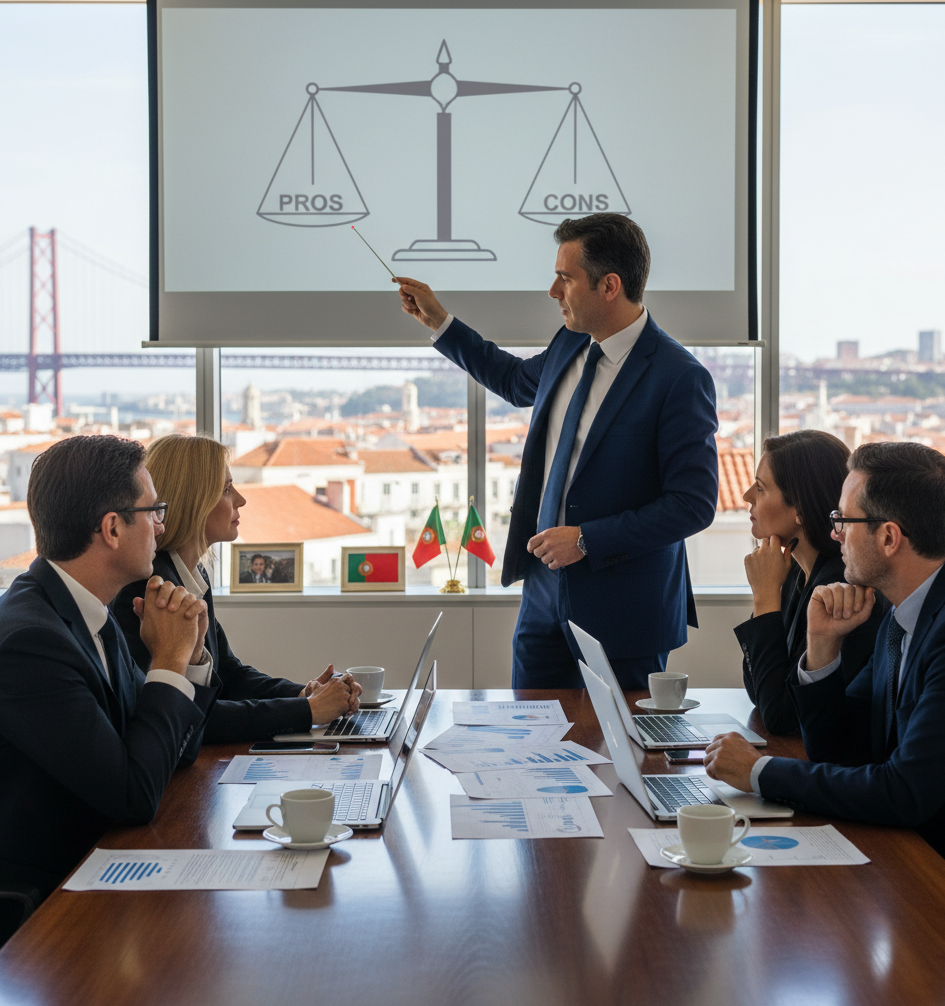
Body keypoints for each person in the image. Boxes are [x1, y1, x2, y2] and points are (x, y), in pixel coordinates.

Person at [395, 213, 718, 689]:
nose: (552, 291)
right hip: (543, 596)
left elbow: (693, 505)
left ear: (609, 285)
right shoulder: (570, 342)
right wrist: (440, 322)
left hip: (626, 610)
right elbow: (513, 380)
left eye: (565, 278)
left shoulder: (679, 377)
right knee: (530, 740)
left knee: (618, 755)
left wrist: (586, 539)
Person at [705, 442, 945, 900]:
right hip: (912, 860)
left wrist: (760, 771)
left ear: (889, 538)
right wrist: (822, 647)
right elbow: (841, 749)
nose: (834, 535)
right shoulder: (905, 612)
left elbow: (904, 790)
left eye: (842, 521)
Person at [0, 435, 216, 932]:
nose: (162, 525)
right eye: (154, 510)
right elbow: (132, 794)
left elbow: (176, 751)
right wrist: (168, 658)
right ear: (113, 528)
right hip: (46, 908)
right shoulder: (31, 641)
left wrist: (192, 654)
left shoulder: (88, 607)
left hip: (102, 864)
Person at [112, 433, 361, 743]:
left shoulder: (190, 573)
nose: (240, 499)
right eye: (227, 489)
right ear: (193, 501)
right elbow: (194, 718)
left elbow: (229, 672)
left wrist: (303, 693)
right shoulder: (149, 591)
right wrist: (307, 711)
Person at [734, 430, 885, 733]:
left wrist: (764, 597)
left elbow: (781, 715)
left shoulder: (839, 588)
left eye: (761, 488)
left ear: (800, 509)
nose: (747, 496)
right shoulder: (793, 571)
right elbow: (758, 689)